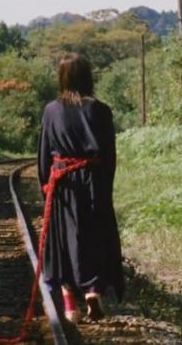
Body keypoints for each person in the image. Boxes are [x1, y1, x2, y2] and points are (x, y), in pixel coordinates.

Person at [37, 52, 124, 322]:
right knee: (94, 233)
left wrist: (45, 185)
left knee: (64, 238)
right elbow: (109, 155)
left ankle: (69, 305)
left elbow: (44, 153)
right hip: (93, 179)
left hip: (63, 181)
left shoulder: (51, 110)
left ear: (62, 77)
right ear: (88, 77)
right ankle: (93, 291)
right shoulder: (100, 109)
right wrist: (105, 186)